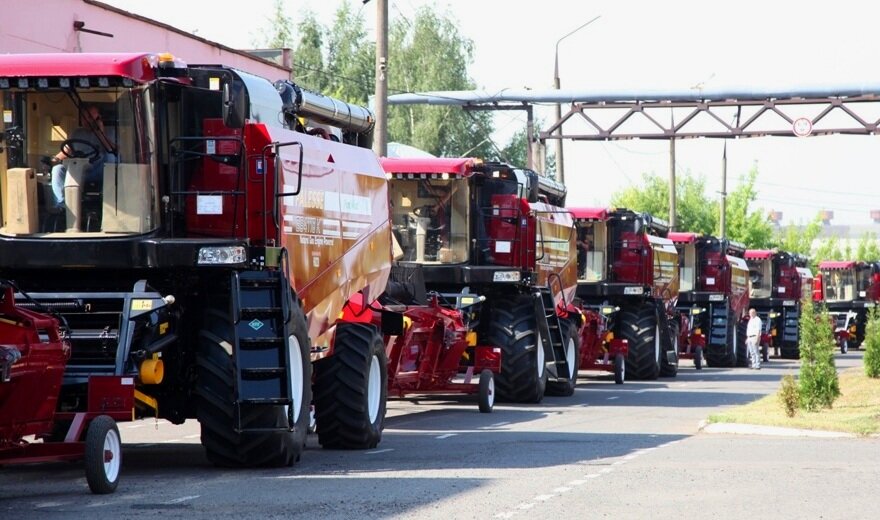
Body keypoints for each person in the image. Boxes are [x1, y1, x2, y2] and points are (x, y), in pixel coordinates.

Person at [49, 105, 114, 210]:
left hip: (97, 170)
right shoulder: (77, 133)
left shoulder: (110, 132)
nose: (86, 120)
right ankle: (62, 204)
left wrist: (100, 132)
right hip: (77, 169)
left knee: (111, 159)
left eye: (89, 117)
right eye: (83, 117)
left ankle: (108, 202)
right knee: (57, 170)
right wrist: (52, 160)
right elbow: (66, 151)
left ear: (98, 118)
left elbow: (112, 151)